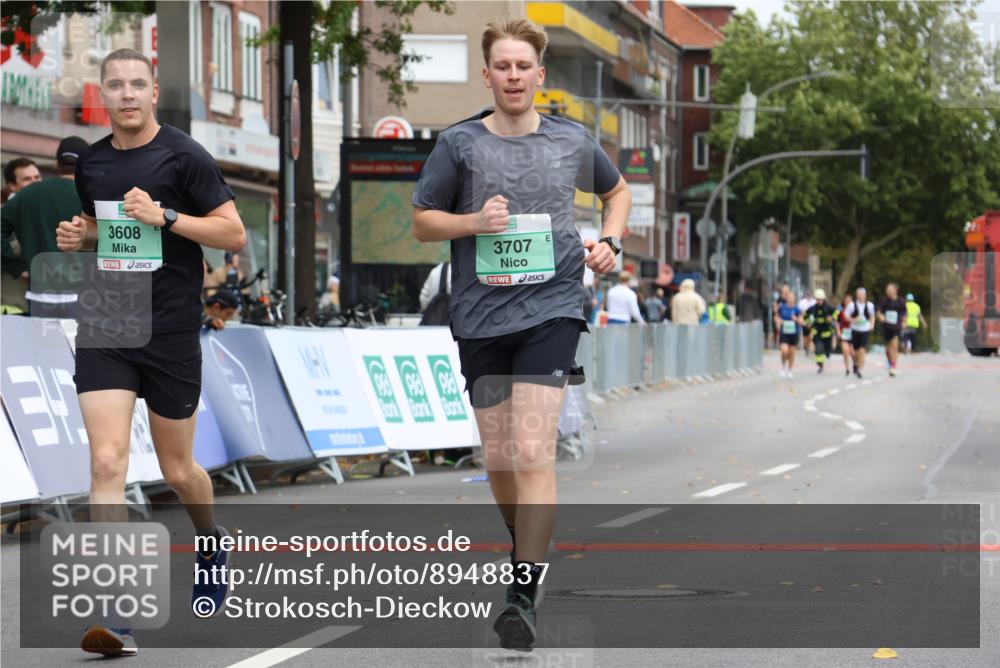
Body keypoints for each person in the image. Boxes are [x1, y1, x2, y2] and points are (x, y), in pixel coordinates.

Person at [411, 17, 629, 651]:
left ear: (540, 75)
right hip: (480, 316)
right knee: (501, 459)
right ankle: (528, 542)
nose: (512, 76)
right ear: (488, 75)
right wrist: (474, 221)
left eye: (522, 67)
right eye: (501, 67)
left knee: (533, 453)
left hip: (553, 309)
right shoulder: (458, 145)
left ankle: (522, 590)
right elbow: (424, 223)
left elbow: (616, 193)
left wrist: (611, 240)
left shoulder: (570, 140)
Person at [55, 48, 246, 657]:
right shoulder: (91, 162)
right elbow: (103, 229)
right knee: (107, 463)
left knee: (177, 471)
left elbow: (232, 232)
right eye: (116, 85)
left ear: (154, 90)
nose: (128, 94)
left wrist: (166, 215)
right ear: (103, 94)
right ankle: (117, 611)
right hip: (109, 323)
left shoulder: (184, 154)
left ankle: (210, 542)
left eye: (138, 84)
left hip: (168, 330)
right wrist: (81, 236)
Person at [1, 137, 88, 315]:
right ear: (87, 163)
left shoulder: (28, 194)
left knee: (39, 343)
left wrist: (17, 267)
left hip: (39, 295)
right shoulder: (92, 195)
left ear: (57, 163)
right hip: (84, 296)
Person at [844, 286, 875, 378]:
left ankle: (860, 369)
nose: (861, 296)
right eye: (859, 295)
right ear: (857, 296)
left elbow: (872, 316)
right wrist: (853, 319)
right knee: (855, 351)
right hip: (855, 330)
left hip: (865, 330)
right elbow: (846, 316)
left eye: (862, 295)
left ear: (865, 296)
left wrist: (872, 324)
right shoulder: (852, 305)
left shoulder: (870, 305)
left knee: (862, 350)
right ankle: (856, 364)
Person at [878, 282, 907, 377]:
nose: (888, 292)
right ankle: (890, 362)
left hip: (896, 326)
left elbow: (904, 313)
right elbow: (879, 312)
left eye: (890, 290)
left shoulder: (901, 301)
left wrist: (904, 322)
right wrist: (881, 316)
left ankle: (893, 366)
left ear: (895, 291)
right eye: (887, 290)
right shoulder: (884, 301)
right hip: (887, 327)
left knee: (894, 346)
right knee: (887, 349)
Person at [805, 289, 837, 373]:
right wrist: (808, 323)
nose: (819, 301)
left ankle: (827, 353)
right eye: (818, 299)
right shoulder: (812, 309)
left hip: (827, 332)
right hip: (817, 332)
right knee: (818, 350)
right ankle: (820, 365)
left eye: (821, 299)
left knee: (827, 350)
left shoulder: (828, 307)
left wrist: (832, 318)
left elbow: (837, 313)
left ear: (824, 299)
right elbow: (805, 316)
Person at [776, 290, 804, 378]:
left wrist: (796, 319)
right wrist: (778, 322)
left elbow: (802, 322)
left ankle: (790, 370)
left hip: (794, 333)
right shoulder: (782, 307)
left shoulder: (797, 309)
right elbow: (776, 317)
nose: (791, 299)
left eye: (792, 298)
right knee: (784, 351)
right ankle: (783, 367)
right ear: (786, 298)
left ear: (794, 299)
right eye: (789, 297)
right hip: (784, 332)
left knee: (791, 353)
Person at [836, 293, 854, 376]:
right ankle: (847, 368)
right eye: (846, 301)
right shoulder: (840, 310)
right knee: (845, 351)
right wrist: (838, 331)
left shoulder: (855, 310)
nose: (848, 302)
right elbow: (835, 320)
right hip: (844, 333)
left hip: (853, 333)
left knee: (852, 352)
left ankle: (855, 364)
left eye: (849, 301)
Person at [797, 289, 817, 354]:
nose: (809, 295)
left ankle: (813, 348)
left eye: (810, 294)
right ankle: (806, 347)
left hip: (812, 320)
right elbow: (800, 312)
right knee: (805, 337)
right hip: (805, 320)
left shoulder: (814, 302)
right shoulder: (801, 302)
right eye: (807, 294)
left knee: (811, 336)